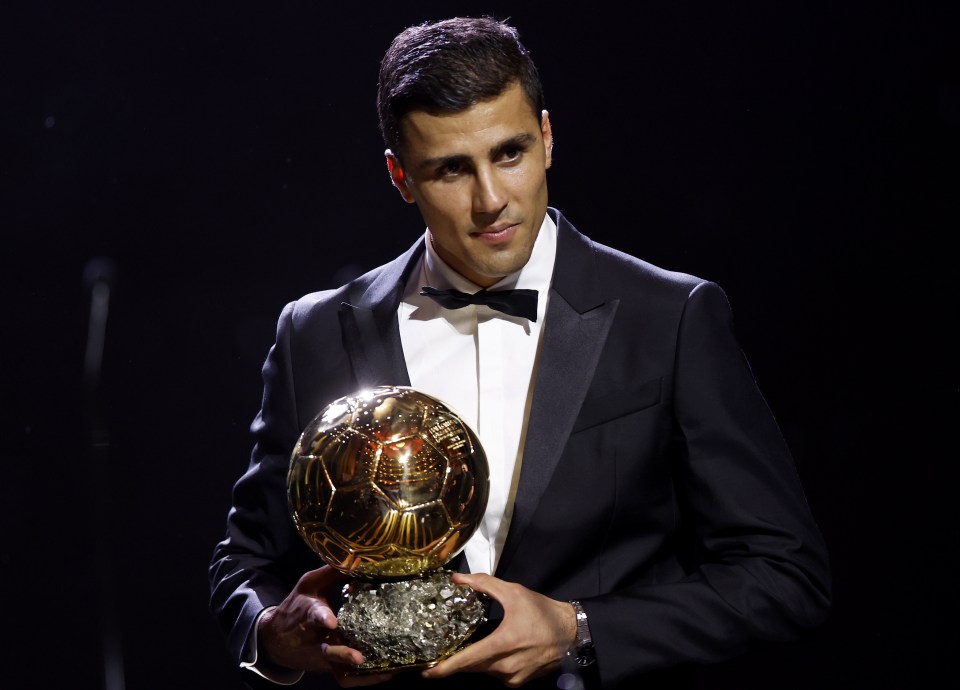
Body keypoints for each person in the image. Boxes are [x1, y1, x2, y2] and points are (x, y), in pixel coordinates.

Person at [209, 16, 831, 690]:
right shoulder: (313, 332)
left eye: (510, 153)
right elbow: (245, 563)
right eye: (451, 169)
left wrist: (577, 628)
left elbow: (784, 575)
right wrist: (275, 631)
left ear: (547, 137)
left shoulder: (671, 316)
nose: (491, 199)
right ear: (401, 178)